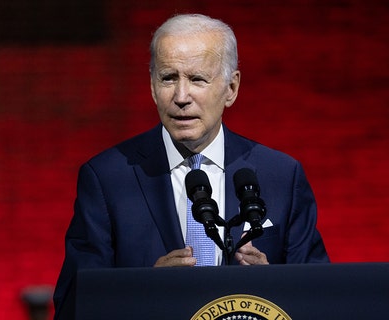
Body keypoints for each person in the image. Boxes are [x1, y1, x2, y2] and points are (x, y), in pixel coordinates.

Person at [52, 13, 329, 319]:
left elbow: (319, 300)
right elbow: (72, 306)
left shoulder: (280, 175)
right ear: (153, 86)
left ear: (231, 88)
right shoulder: (107, 178)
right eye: (168, 78)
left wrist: (273, 287)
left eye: (197, 79)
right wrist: (142, 290)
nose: (181, 97)